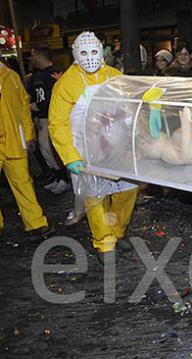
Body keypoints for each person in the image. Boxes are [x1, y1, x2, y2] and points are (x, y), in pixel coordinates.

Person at [48, 32, 138, 261]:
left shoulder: (115, 75)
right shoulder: (66, 83)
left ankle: (117, 231)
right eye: (84, 53)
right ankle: (104, 242)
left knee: (126, 191)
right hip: (85, 152)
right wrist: (70, 156)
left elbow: (128, 107)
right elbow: (56, 123)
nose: (90, 58)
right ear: (75, 56)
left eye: (94, 52)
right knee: (95, 197)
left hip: (117, 148)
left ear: (102, 51)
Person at [0, 58, 53, 239]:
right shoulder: (11, 76)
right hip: (10, 138)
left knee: (23, 182)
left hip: (14, 139)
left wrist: (29, 134)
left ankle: (36, 223)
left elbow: (23, 106)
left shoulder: (12, 76)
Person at [27, 45, 69, 195]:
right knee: (45, 149)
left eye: (33, 55)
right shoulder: (36, 75)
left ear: (39, 56)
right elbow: (36, 94)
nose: (31, 59)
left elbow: (60, 95)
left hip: (54, 118)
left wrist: (38, 107)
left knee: (54, 149)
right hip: (43, 118)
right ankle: (58, 177)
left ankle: (64, 179)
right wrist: (36, 115)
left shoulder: (56, 72)